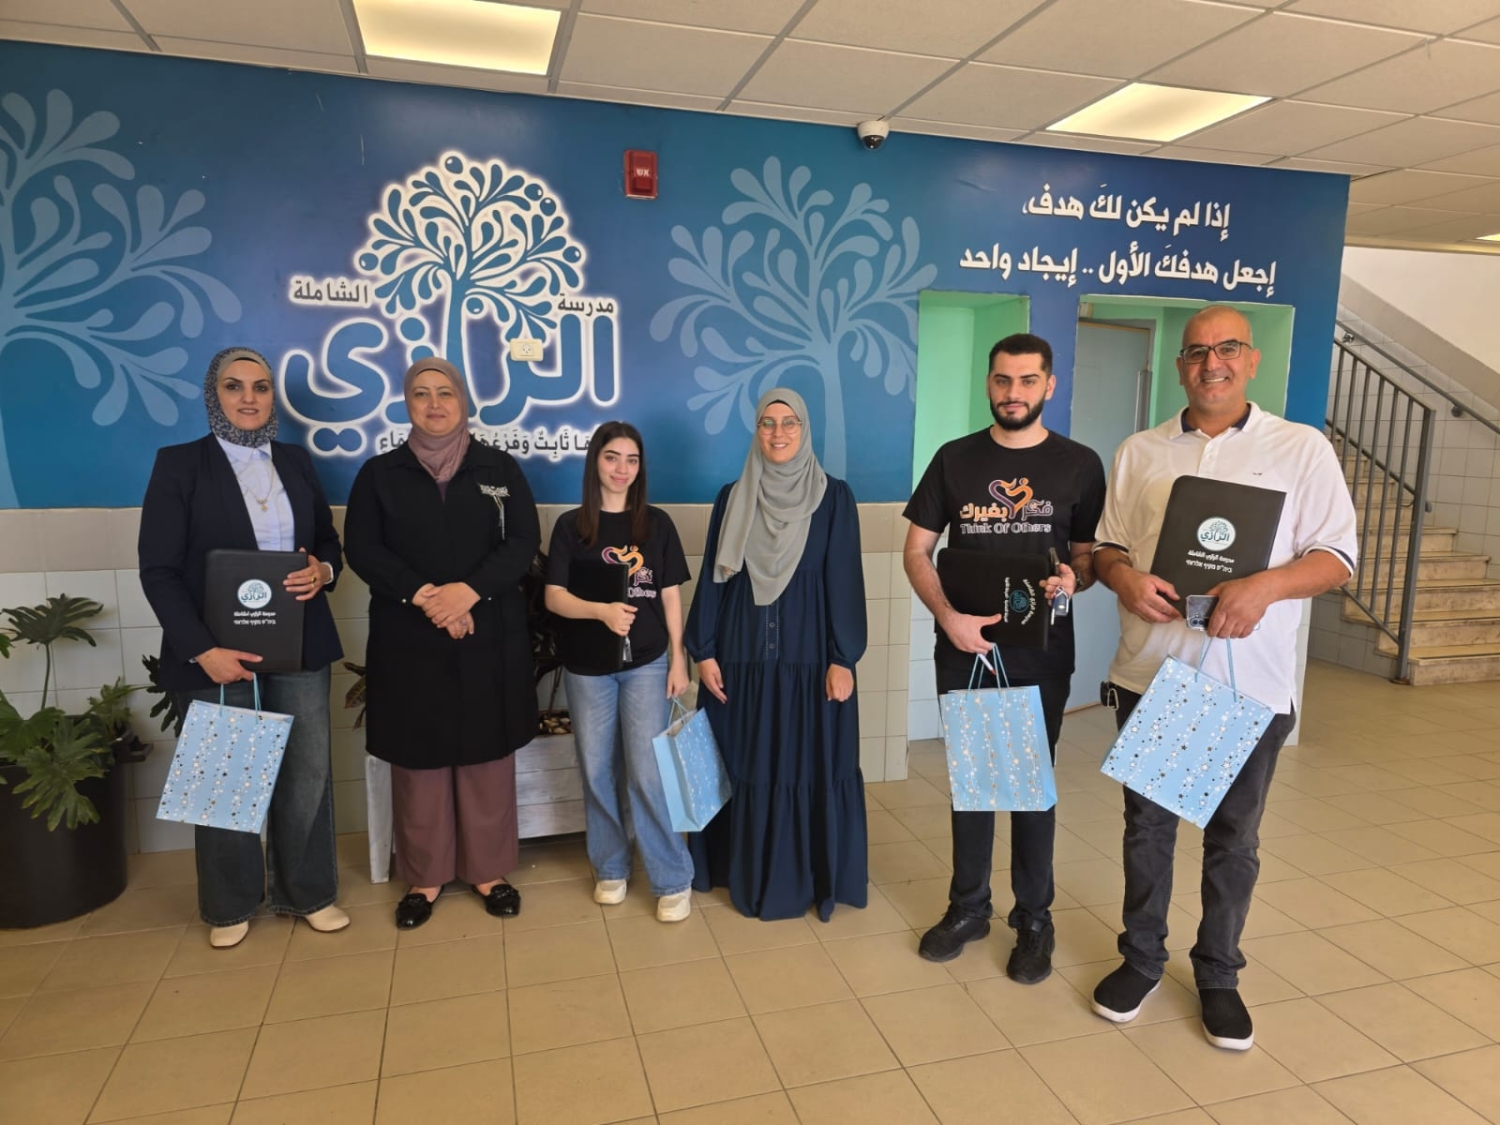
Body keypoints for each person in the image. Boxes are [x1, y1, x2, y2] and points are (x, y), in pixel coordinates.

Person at [1089, 305, 1357, 1050]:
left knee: (1233, 840)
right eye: (1197, 351)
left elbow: (1336, 557)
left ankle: (1217, 974)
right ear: (1180, 365)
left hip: (1247, 681)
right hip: (1156, 671)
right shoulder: (1141, 451)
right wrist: (1123, 578)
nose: (1212, 363)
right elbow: (1108, 546)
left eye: (1227, 348)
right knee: (1148, 830)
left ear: (1252, 359)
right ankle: (1141, 959)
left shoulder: (1300, 449)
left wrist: (1263, 588)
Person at [903, 333, 1105, 982]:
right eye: (1001, 380)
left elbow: (1088, 558)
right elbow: (916, 550)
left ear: (1049, 385)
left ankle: (1034, 920)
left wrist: (1075, 579)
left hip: (1040, 653)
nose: (1012, 392)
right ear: (988, 383)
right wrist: (948, 617)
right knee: (972, 784)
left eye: (1026, 380)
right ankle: (968, 908)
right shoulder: (954, 459)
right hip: (965, 647)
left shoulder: (1079, 465)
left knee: (1030, 789)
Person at [139, 346, 349, 949]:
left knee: (306, 773)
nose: (249, 398)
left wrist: (323, 572)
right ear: (215, 395)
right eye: (234, 386)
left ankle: (308, 894)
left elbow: (327, 542)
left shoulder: (295, 461)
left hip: (298, 641)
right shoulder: (181, 464)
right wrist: (202, 650)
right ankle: (230, 905)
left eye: (260, 386)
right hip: (217, 651)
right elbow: (158, 570)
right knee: (226, 774)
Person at [343, 357, 539, 930]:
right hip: (410, 638)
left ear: (463, 401)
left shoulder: (499, 468)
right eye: (422, 393)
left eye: (445, 392)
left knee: (485, 758)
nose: (434, 404)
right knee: (419, 761)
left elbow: (523, 541)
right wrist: (427, 597)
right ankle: (424, 877)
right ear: (407, 403)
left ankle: (488, 872)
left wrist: (469, 592)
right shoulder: (379, 474)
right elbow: (363, 549)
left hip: (487, 634)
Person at [686, 388, 867, 921]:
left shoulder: (834, 499)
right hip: (740, 662)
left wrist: (843, 658)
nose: (778, 432)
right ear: (756, 431)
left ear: (805, 429)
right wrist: (704, 651)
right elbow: (714, 579)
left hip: (810, 665)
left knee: (804, 768)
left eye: (790, 422)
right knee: (740, 764)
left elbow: (844, 582)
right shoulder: (731, 497)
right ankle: (736, 869)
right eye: (768, 422)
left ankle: (802, 877)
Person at [544, 422, 695, 922]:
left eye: (632, 459)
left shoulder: (657, 525)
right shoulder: (571, 527)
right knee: (596, 768)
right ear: (595, 462)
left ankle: (672, 877)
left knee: (648, 771)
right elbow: (554, 597)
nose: (621, 468)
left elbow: (670, 595)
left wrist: (679, 658)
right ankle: (610, 867)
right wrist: (602, 612)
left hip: (647, 663)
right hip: (588, 668)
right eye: (612, 457)